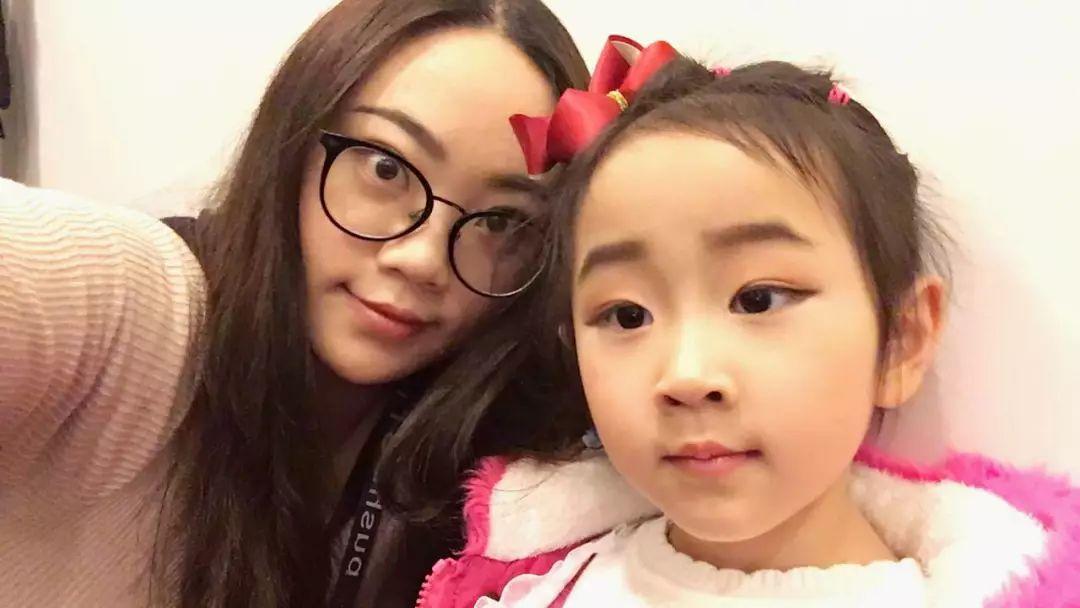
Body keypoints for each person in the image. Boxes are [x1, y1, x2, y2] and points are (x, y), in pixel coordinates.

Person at [414, 36, 1080, 607]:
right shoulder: (540, 587)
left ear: (900, 341)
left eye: (758, 299)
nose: (687, 376)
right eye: (627, 315)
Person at [0, 1, 588, 606]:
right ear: (295, 142)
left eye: (501, 221)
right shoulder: (138, 309)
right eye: (386, 169)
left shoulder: (488, 464)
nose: (423, 260)